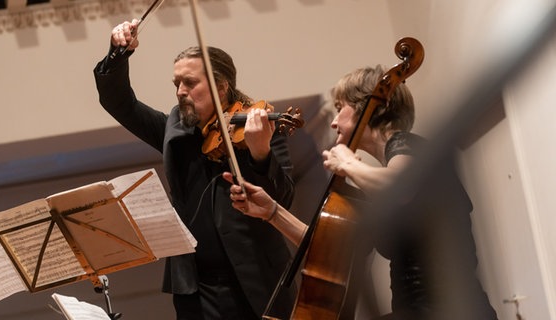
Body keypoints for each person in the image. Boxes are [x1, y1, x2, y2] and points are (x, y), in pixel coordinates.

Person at [226, 65, 498, 320]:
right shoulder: (376, 189)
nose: (333, 122)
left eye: (339, 108)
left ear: (372, 107)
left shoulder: (406, 143)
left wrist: (348, 163)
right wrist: (271, 211)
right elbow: (325, 247)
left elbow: (401, 186)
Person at [93, 19, 296, 320]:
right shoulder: (175, 134)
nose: (180, 92)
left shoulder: (260, 128)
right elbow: (119, 102)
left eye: (190, 82)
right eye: (176, 84)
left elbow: (284, 199)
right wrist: (117, 53)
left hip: (257, 282)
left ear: (222, 87)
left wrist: (260, 151)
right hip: (197, 291)